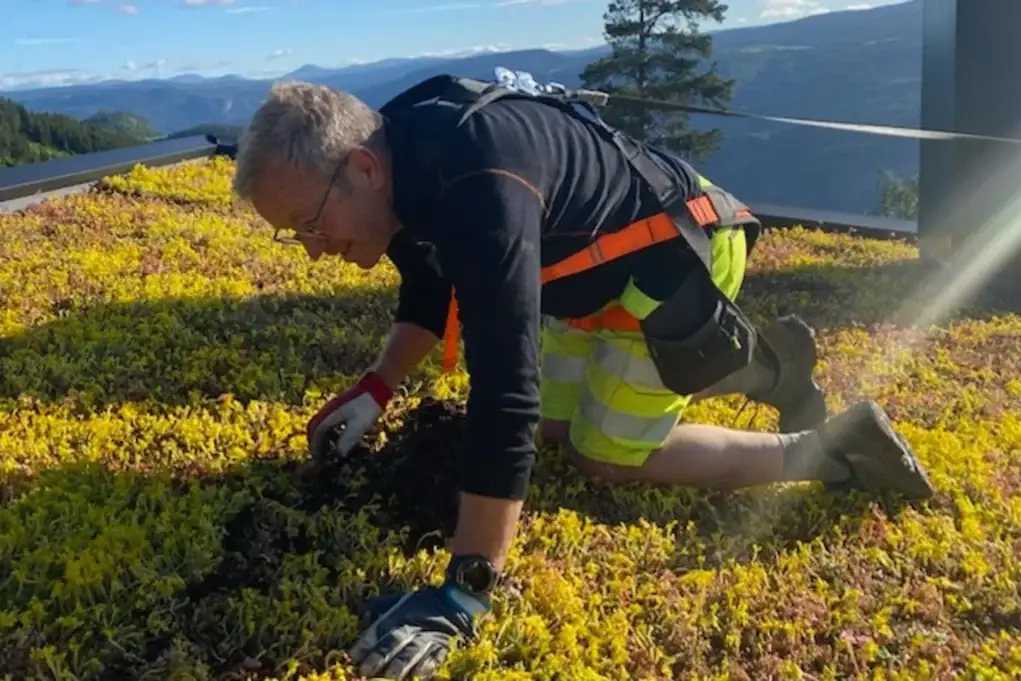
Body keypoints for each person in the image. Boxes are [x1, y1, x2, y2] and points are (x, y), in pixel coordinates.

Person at [230, 75, 935, 680]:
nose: (314, 251)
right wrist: (376, 387)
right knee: (555, 430)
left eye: (310, 222)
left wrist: (466, 589)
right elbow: (427, 282)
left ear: (362, 169)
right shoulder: (396, 156)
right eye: (295, 235)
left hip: (676, 256)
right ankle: (761, 368)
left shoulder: (479, 184)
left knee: (603, 455)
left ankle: (834, 448)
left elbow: (505, 391)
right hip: (582, 272)